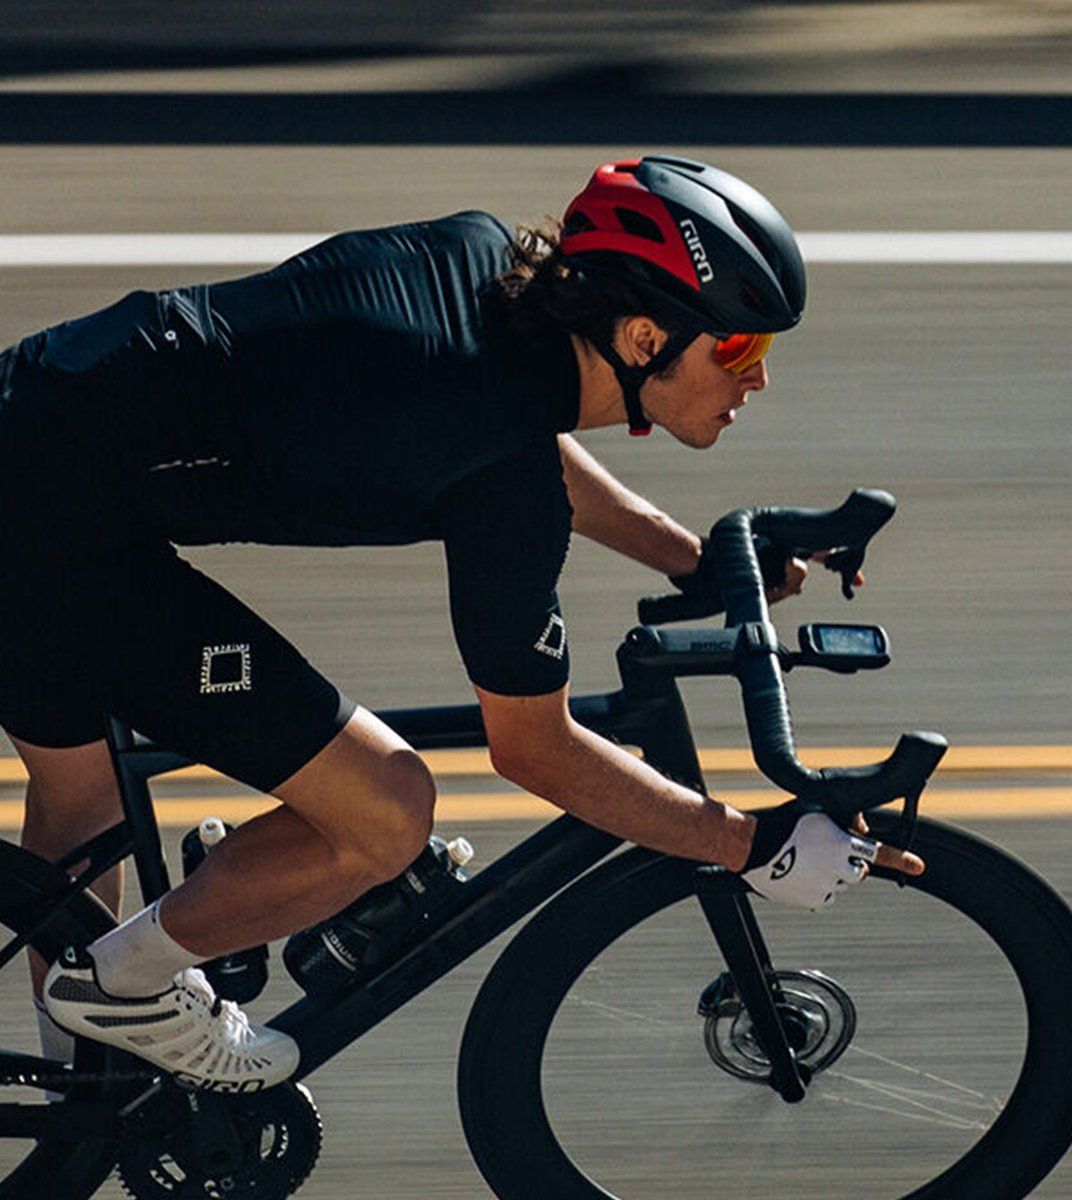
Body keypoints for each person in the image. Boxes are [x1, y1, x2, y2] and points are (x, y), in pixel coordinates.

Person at [0, 155, 923, 1093]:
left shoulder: (485, 267)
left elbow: (515, 427)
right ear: (645, 337)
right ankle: (122, 989)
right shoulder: (497, 471)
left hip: (30, 422)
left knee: (81, 808)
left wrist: (694, 560)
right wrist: (750, 845)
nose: (756, 380)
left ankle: (79, 1113)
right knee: (386, 811)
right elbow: (534, 748)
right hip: (52, 537)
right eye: (738, 350)